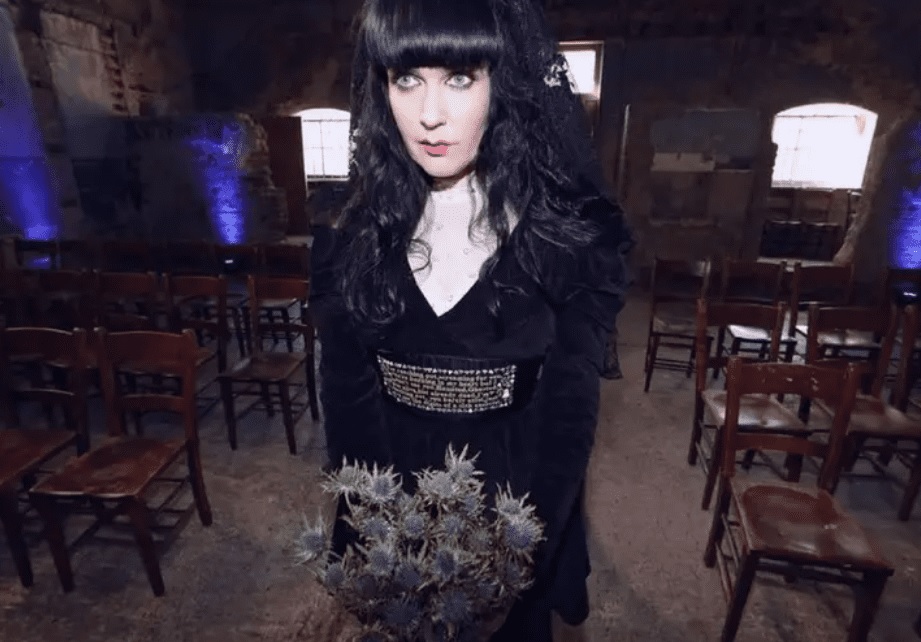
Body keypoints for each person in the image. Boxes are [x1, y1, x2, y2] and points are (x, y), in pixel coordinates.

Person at [309, 0, 632, 639]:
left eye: (459, 77)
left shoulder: (569, 244)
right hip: (396, 505)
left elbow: (568, 422)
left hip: (515, 507)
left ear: (502, 81)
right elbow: (349, 410)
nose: (429, 114)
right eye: (407, 79)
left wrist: (517, 567)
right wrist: (378, 539)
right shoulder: (350, 241)